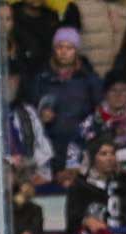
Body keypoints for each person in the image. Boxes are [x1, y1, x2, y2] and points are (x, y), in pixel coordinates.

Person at [26, 26, 103, 179]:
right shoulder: (40, 78)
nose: (64, 52)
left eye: (69, 48)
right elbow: (29, 111)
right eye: (60, 47)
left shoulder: (89, 79)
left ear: (77, 51)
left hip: (79, 145)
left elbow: (99, 112)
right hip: (48, 145)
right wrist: (40, 116)